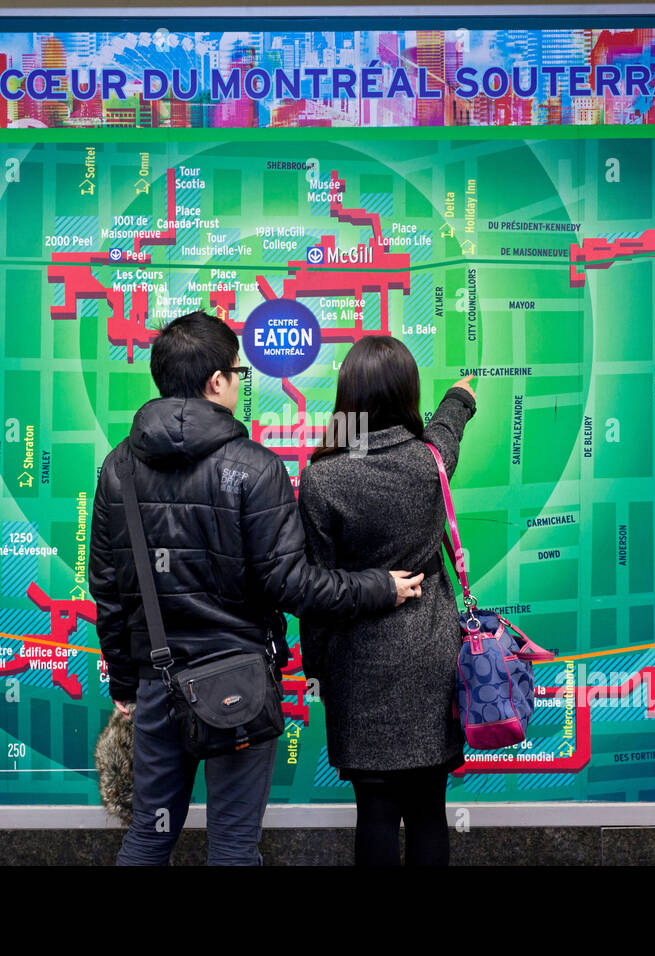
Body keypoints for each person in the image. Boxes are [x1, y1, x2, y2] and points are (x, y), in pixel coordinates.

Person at [88, 310, 424, 866]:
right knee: (234, 845)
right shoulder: (255, 467)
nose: (241, 382)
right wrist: (376, 588)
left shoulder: (118, 468)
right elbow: (290, 584)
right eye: (238, 372)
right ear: (217, 380)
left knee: (148, 837)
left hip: (156, 681)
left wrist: (128, 682)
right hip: (236, 685)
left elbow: (108, 587)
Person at [298, 336, 477, 866]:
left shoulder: (321, 478)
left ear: (347, 395)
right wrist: (460, 396)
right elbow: (448, 428)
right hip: (432, 659)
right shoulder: (430, 463)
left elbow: (316, 590)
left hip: (356, 665)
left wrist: (318, 671)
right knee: (428, 809)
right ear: (407, 393)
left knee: (373, 810)